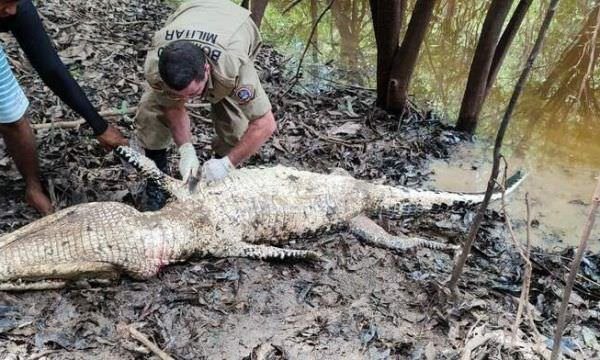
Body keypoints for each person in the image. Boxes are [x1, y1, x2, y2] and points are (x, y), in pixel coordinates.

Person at [137, 0, 276, 210]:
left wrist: (227, 163)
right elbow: (172, 107)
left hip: (235, 25)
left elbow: (265, 124)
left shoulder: (231, 67)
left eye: (194, 93)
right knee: (150, 113)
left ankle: (217, 180)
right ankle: (157, 182)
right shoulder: (156, 66)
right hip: (192, 10)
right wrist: (186, 150)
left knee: (234, 124)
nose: (190, 101)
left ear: (206, 70)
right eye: (182, 95)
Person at [0, 0, 128, 215]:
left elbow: (51, 69)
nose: (11, 10)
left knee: (12, 117)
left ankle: (33, 188)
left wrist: (99, 125)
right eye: (4, 3)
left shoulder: (16, 8)